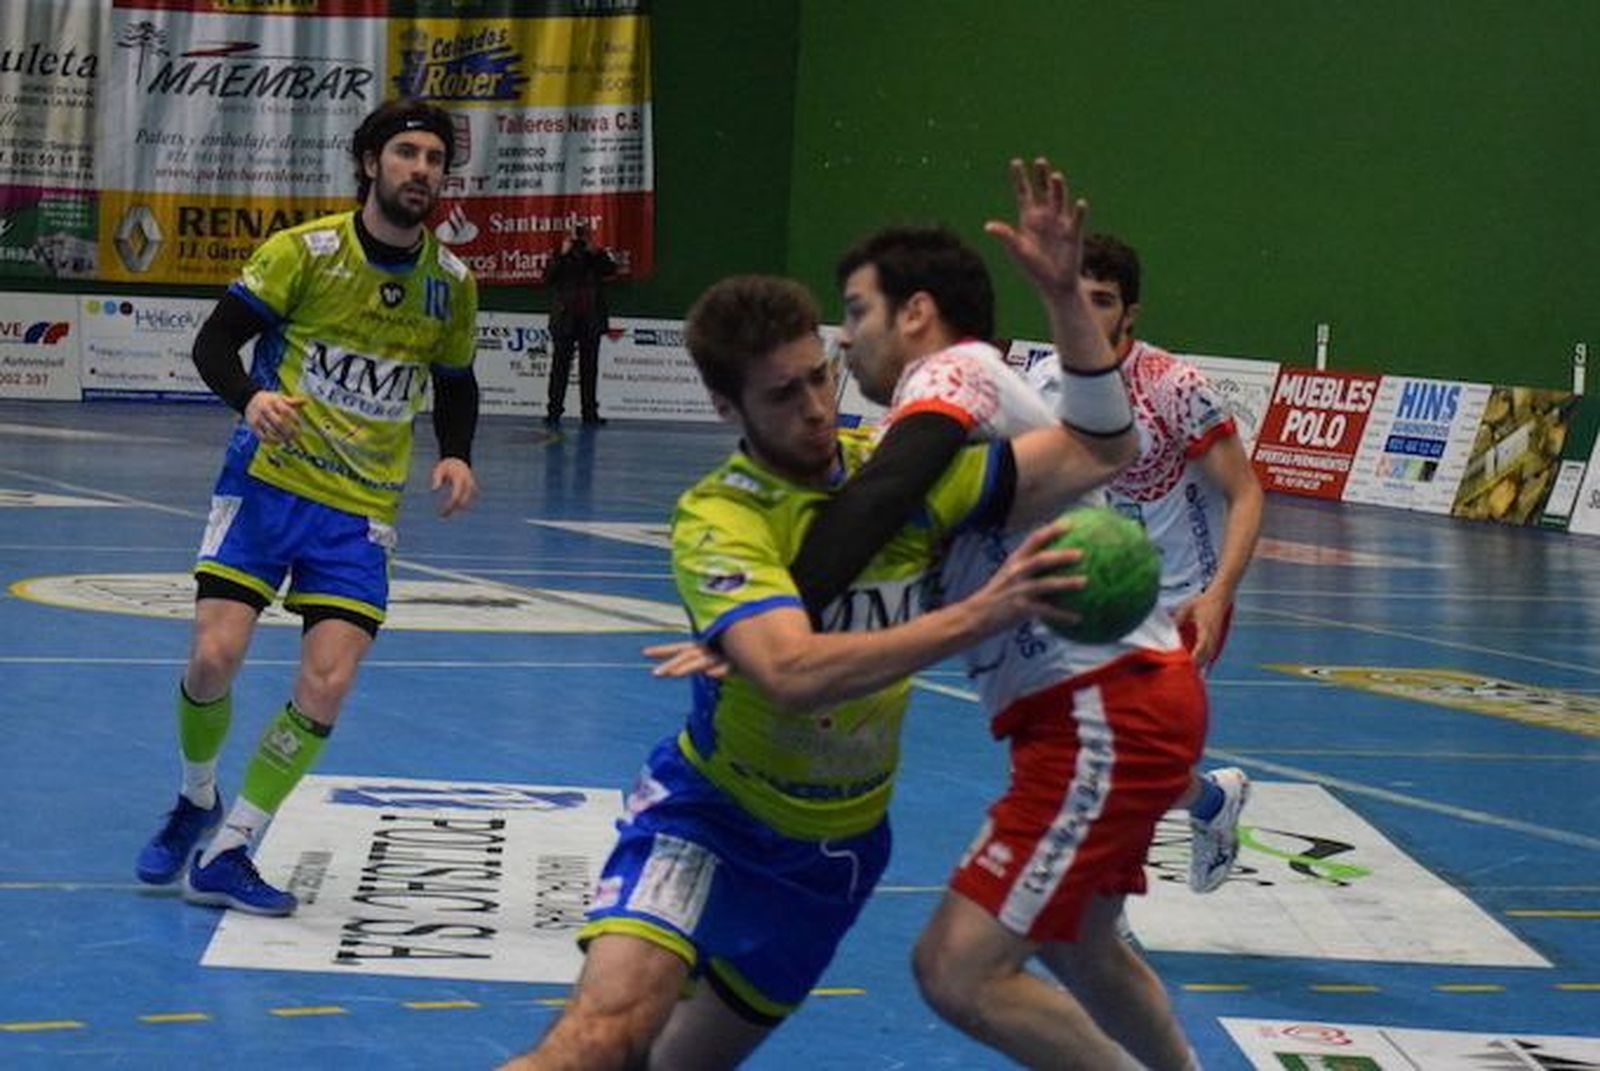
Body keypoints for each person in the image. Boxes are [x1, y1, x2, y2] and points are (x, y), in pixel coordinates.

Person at [505, 157, 1138, 1070]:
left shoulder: (903, 475)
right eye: (780, 394)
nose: (813, 408)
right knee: (604, 1037)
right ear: (726, 405)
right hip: (712, 817)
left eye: (818, 376)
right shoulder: (722, 516)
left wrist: (1063, 302)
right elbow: (793, 673)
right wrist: (982, 612)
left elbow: (1101, 446)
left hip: (837, 851)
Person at [133, 98, 481, 916]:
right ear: (371, 163)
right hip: (266, 486)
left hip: (359, 513)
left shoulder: (452, 285)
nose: (421, 169)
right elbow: (214, 343)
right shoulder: (304, 252)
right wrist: (252, 399)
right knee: (213, 658)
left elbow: (455, 384)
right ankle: (195, 796)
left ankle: (231, 846)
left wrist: (458, 453)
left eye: (434, 157)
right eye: (406, 153)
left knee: (327, 682)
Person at [1026, 232, 1265, 893]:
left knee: (1120, 764)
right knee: (1098, 759)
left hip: (1183, 600)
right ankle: (1212, 802)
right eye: (1073, 298)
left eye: (1101, 301)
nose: (1085, 315)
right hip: (1095, 599)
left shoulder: (1174, 388)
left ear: (1130, 312)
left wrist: (1219, 594)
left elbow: (1245, 491)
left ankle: (1108, 922)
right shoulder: (1042, 384)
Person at [544, 222, 617, 427]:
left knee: (589, 368)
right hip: (565, 318)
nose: (579, 240)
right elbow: (548, 277)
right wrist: (562, 254)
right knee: (560, 367)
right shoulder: (560, 255)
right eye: (577, 236)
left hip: (590, 318)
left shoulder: (595, 256)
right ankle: (554, 410)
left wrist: (596, 252)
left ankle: (589, 412)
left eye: (582, 236)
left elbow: (610, 270)